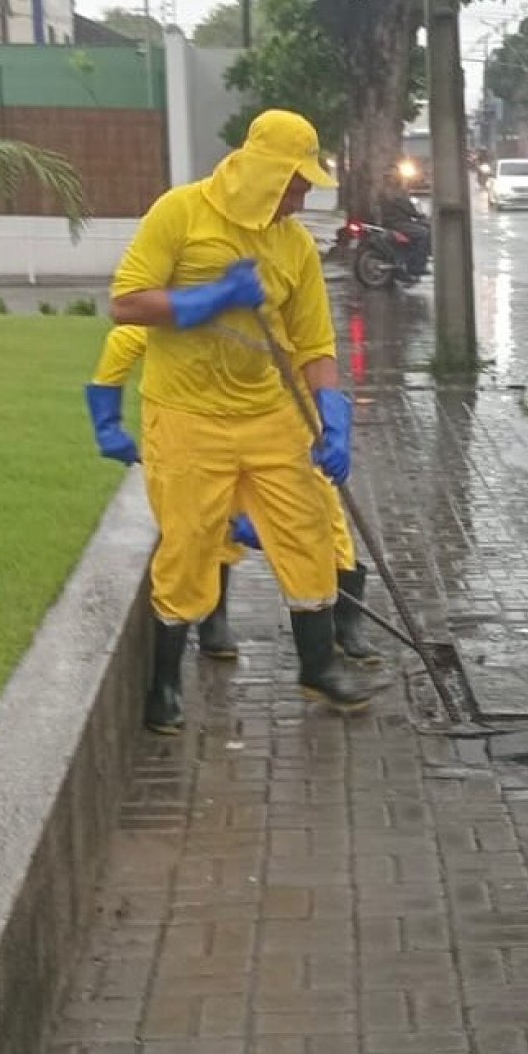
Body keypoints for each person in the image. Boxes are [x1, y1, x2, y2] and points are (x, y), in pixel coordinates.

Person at [108, 107, 376, 732]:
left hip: (273, 417)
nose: (304, 195)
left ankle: (317, 667)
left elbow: (314, 344)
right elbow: (125, 303)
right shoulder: (180, 213)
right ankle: (166, 681)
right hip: (187, 415)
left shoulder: (295, 245)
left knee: (309, 529)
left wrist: (333, 415)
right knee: (191, 543)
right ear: (263, 172)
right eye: (297, 182)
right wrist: (213, 298)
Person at [84, 323, 382, 669]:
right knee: (213, 523)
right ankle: (214, 619)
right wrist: (107, 424)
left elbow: (316, 352)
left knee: (327, 521)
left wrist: (333, 421)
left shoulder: (289, 302)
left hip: (293, 436)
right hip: (213, 434)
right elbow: (126, 339)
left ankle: (346, 622)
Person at [377, 165, 431, 275]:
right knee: (424, 233)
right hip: (397, 223)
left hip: (394, 221)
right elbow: (407, 208)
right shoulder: (393, 192)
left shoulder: (385, 190)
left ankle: (410, 258)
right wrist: (420, 215)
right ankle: (417, 266)